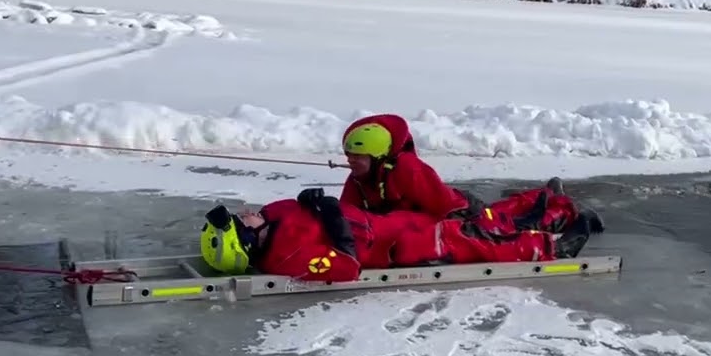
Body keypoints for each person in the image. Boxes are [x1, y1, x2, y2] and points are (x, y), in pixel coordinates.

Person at [198, 187, 597, 282]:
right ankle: (555, 244)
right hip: (397, 247)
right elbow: (347, 266)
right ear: (247, 242)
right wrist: (331, 211)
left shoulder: (272, 216)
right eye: (240, 222)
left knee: (483, 216)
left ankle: (550, 204)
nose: (246, 213)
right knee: (479, 237)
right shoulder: (290, 258)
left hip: (388, 222)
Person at [338, 113, 602, 237]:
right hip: (456, 207)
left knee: (510, 224)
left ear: (378, 157)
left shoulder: (408, 170)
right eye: (349, 155)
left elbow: (439, 209)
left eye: (357, 157)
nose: (350, 161)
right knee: (503, 210)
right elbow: (346, 212)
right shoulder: (359, 179)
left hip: (459, 213)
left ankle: (565, 212)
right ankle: (545, 194)